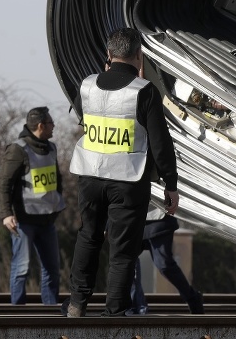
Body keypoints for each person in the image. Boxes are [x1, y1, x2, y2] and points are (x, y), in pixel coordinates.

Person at [63, 27, 179, 317]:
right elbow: (160, 143)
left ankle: (77, 303)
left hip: (89, 175)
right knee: (123, 249)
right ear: (139, 56)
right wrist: (171, 183)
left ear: (108, 54)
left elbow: (83, 117)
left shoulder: (87, 85)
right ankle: (114, 313)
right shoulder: (145, 91)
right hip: (128, 179)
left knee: (88, 236)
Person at [0, 106, 66, 305]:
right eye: (51, 123)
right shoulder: (18, 149)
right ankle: (17, 316)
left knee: (52, 269)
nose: (54, 126)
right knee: (21, 269)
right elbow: (4, 183)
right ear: (40, 125)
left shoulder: (51, 147)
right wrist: (6, 214)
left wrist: (57, 203)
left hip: (47, 220)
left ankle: (50, 314)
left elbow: (57, 180)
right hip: (23, 221)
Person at [128, 205, 204, 315]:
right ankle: (136, 306)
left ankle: (192, 298)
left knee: (164, 265)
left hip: (159, 217)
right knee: (127, 262)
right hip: (132, 218)